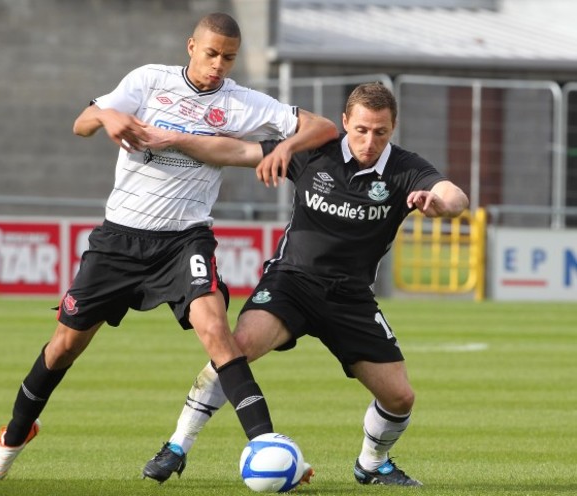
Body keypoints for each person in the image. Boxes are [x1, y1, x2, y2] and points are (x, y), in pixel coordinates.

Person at [0, 12, 338, 482]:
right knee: (64, 346)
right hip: (119, 239)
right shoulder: (149, 81)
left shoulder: (243, 103)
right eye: (210, 54)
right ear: (191, 46)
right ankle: (16, 433)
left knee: (216, 331)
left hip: (185, 239)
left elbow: (323, 126)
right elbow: (81, 123)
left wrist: (287, 147)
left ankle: (267, 445)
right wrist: (107, 116)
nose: (218, 65)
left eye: (228, 58)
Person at [136, 82, 469, 486]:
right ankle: (177, 446)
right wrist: (173, 140)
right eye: (361, 129)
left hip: (351, 299)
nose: (369, 140)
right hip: (292, 282)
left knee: (400, 398)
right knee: (234, 350)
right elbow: (236, 150)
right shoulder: (314, 150)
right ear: (345, 122)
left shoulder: (404, 169)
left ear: (393, 129)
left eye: (380, 132)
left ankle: (372, 463)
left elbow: (455, 196)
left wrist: (439, 204)